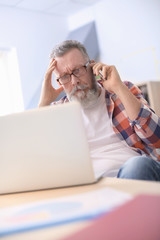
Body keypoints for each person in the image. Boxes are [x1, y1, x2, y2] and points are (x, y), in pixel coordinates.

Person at [39, 40, 160, 181]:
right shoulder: (56, 112)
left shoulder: (121, 91)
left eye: (77, 70)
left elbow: (156, 138)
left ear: (91, 66)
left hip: (133, 175)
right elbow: (41, 162)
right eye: (65, 77)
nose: (74, 82)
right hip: (90, 186)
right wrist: (43, 104)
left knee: (138, 166)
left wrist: (119, 87)